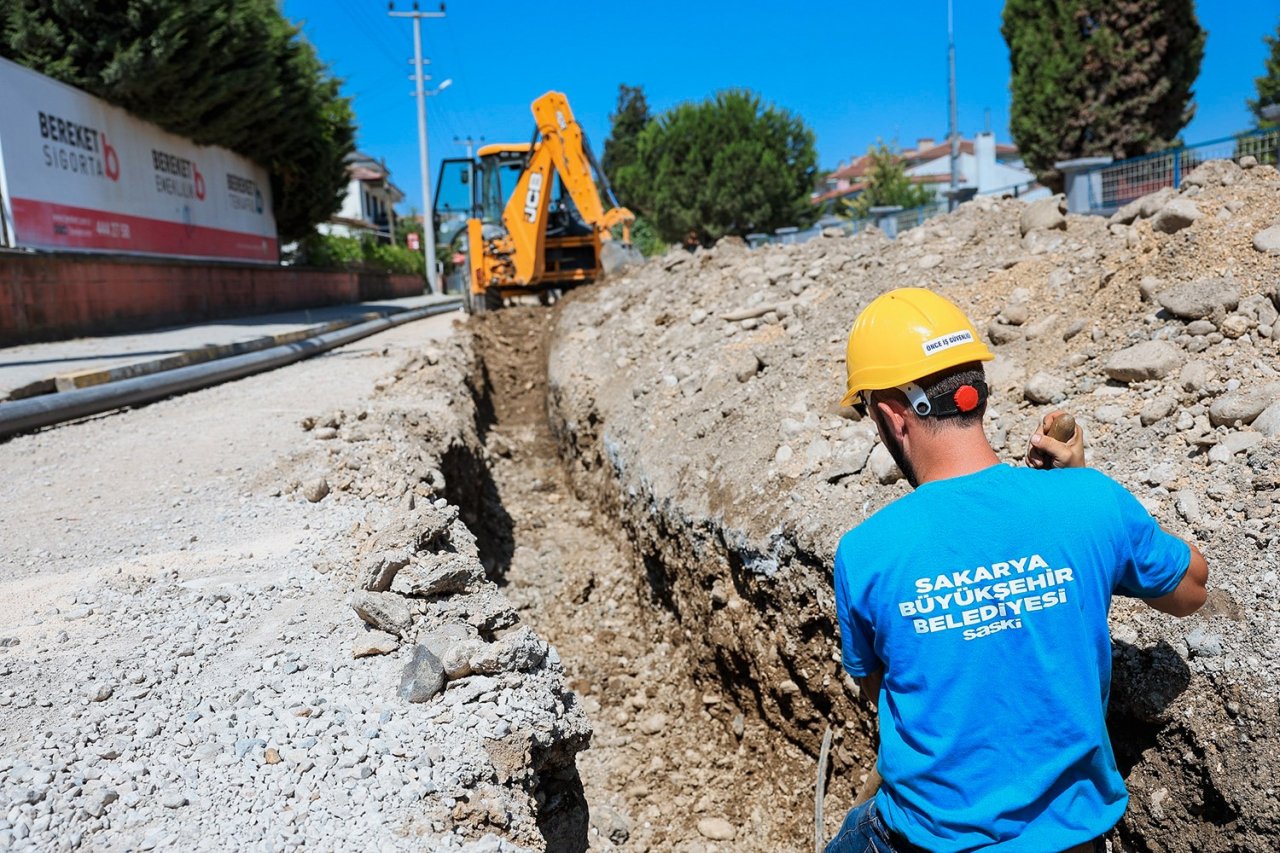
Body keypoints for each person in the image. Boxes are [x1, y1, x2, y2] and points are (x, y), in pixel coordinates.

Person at [827, 288, 1208, 853]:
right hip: (1074, 840)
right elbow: (1192, 590)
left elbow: (880, 686)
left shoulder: (866, 551)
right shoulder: (1089, 500)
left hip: (927, 840)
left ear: (890, 415)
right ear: (976, 390)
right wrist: (1076, 491)